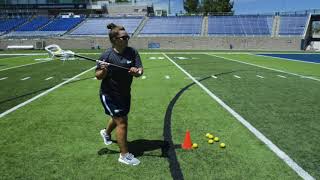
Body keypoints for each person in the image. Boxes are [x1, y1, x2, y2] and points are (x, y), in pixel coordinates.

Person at [96, 23, 143, 166]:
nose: (127, 39)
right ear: (115, 40)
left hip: (124, 94)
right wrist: (103, 70)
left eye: (127, 36)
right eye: (124, 37)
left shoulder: (132, 52)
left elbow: (141, 71)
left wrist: (137, 72)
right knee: (122, 122)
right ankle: (124, 155)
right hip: (109, 94)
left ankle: (106, 132)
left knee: (119, 118)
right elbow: (98, 75)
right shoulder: (106, 55)